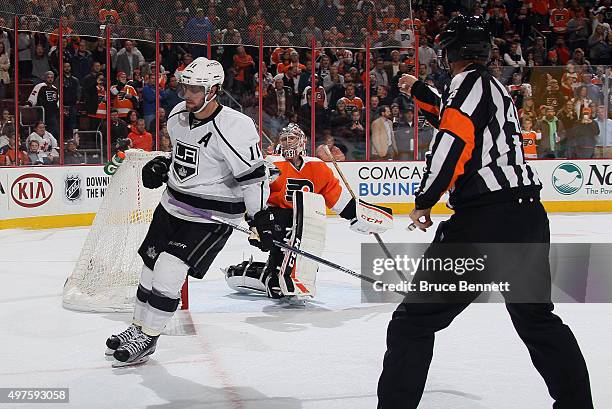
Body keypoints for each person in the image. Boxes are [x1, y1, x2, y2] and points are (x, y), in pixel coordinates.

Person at [378, 15, 593, 409]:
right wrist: (420, 90)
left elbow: (454, 137)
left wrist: (426, 198)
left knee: (413, 323)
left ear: (449, 51)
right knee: (537, 320)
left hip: (483, 222)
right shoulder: (491, 86)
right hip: (526, 216)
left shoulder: (468, 84)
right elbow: (455, 116)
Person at [105, 57, 271, 368]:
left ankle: (150, 335)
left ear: (214, 90)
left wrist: (259, 218)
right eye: (185, 86)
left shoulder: (235, 127)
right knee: (150, 267)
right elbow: (183, 155)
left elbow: (253, 177)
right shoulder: (179, 115)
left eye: (195, 88)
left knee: (169, 269)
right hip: (173, 205)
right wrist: (163, 166)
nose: (187, 94)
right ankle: (138, 327)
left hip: (211, 217)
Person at [225, 123, 391, 301]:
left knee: (296, 272)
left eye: (292, 139)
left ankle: (277, 273)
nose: (288, 143)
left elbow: (335, 196)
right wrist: (255, 223)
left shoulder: (317, 166)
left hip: (306, 223)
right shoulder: (271, 163)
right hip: (276, 220)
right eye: (284, 139)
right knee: (276, 288)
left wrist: (356, 214)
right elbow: (254, 193)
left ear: (302, 141)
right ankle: (259, 273)